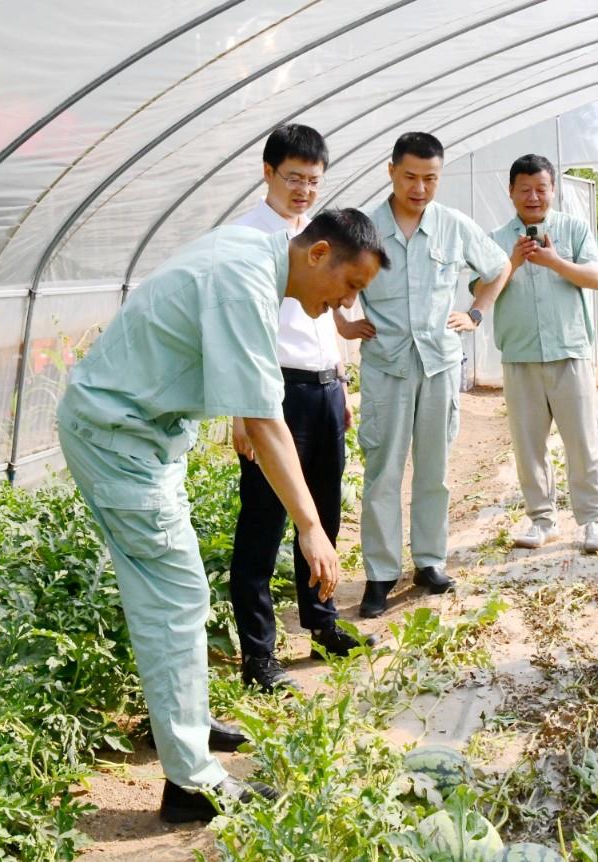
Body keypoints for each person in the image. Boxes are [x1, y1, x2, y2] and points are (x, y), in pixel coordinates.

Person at [57, 209, 389, 822]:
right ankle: (190, 785)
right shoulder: (245, 283)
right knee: (174, 597)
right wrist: (311, 528)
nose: (347, 303)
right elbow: (265, 422)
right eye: (350, 285)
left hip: (139, 434)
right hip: (119, 438)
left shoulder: (251, 252)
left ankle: (181, 723)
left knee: (172, 595)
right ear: (318, 253)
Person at [226, 124, 374, 694]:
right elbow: (240, 335)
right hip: (272, 392)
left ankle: (322, 624)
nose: (304, 190)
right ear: (268, 173)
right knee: (262, 526)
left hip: (324, 388)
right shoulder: (247, 239)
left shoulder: (320, 237)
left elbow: (328, 314)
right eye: (294, 178)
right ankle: (259, 655)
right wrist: (242, 414)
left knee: (324, 513)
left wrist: (341, 382)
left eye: (314, 181)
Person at [348, 131, 511, 619]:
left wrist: (476, 312)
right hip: (387, 366)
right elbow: (326, 273)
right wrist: (342, 322)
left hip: (439, 362)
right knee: (383, 472)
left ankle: (429, 561)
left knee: (434, 469)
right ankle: (381, 574)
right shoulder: (366, 228)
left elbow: (499, 267)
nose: (419, 188)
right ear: (391, 172)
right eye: (410, 177)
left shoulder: (453, 225)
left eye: (430, 178)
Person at [489, 154, 598, 553]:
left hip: (569, 350)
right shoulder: (495, 239)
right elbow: (481, 290)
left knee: (583, 442)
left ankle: (594, 520)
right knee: (528, 446)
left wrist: (556, 262)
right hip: (520, 354)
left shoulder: (573, 229)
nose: (533, 197)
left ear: (553, 190)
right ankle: (542, 519)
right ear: (510, 192)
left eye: (541, 188)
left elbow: (595, 277)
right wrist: (513, 261)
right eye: (524, 189)